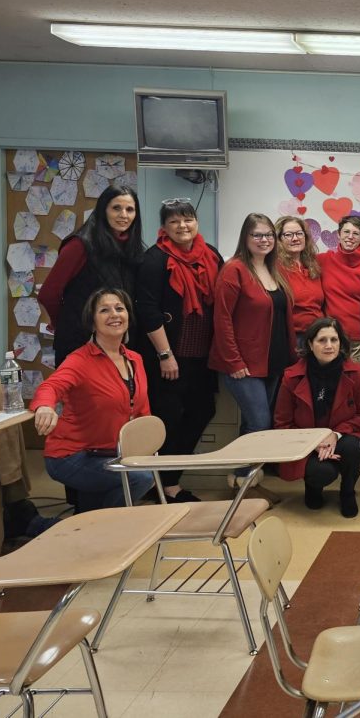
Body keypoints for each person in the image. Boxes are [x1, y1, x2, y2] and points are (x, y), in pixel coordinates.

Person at [33, 288, 154, 511]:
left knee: (144, 473)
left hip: (108, 452)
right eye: (104, 310)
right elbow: (51, 386)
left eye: (120, 308)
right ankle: (100, 526)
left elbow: (141, 411)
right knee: (141, 478)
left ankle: (91, 525)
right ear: (92, 322)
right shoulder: (80, 360)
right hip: (71, 455)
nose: (114, 314)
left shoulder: (135, 359)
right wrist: (45, 407)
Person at [134, 198, 222, 503]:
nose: (182, 226)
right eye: (174, 221)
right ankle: (164, 485)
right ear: (164, 227)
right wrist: (165, 355)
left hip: (202, 356)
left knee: (202, 411)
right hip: (168, 357)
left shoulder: (210, 255)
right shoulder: (154, 260)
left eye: (187, 219)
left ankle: (166, 478)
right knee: (168, 417)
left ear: (196, 221)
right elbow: (147, 310)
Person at [209, 213, 295, 450]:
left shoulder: (274, 268)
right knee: (260, 423)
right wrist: (233, 361)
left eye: (268, 235)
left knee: (252, 422)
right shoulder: (234, 270)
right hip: (244, 364)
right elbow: (222, 318)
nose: (264, 240)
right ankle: (243, 473)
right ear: (245, 237)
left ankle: (244, 477)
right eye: (257, 235)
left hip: (273, 361)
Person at [274, 317, 360, 517]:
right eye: (322, 340)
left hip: (342, 436)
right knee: (322, 473)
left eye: (334, 340)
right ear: (310, 344)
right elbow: (282, 424)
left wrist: (334, 435)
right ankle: (312, 487)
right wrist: (315, 443)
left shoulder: (356, 372)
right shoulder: (291, 376)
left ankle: (347, 491)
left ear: (341, 343)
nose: (329, 346)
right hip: (307, 444)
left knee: (353, 449)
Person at [38, 185, 145, 365]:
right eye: (116, 208)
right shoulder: (80, 245)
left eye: (130, 209)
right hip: (79, 343)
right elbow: (48, 294)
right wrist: (62, 324)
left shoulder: (132, 247)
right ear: (103, 210)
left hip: (117, 343)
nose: (124, 215)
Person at [318, 214, 360, 362]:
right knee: (331, 382)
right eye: (346, 232)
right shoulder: (324, 260)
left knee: (355, 382)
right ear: (338, 234)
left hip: (359, 340)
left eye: (355, 233)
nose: (350, 237)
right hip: (330, 337)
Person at [276, 216, 325, 341]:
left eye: (299, 233)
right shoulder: (276, 268)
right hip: (293, 337)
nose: (295, 238)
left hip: (318, 335)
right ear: (279, 239)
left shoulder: (312, 265)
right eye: (288, 234)